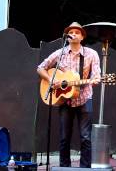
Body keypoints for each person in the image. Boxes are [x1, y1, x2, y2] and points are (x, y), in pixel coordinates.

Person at [37, 22, 101, 167]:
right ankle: (64, 168)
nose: (73, 34)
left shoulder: (91, 54)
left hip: (84, 98)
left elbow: (97, 75)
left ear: (82, 37)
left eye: (77, 32)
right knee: (64, 138)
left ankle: (85, 168)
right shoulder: (60, 53)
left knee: (85, 137)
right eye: (71, 32)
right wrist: (50, 80)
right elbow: (41, 68)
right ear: (67, 37)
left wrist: (96, 80)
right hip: (65, 100)